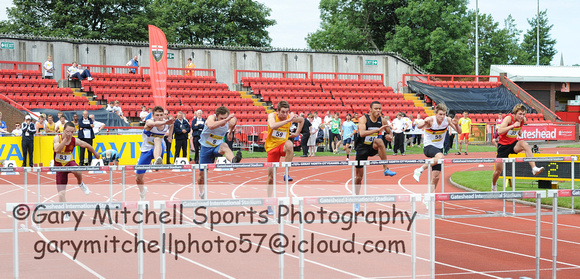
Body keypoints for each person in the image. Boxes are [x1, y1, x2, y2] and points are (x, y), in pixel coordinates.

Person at [354, 101, 397, 211]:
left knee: (379, 141)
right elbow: (362, 133)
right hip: (362, 148)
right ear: (371, 110)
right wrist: (377, 130)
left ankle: (386, 169)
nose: (378, 111)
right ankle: (356, 200)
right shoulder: (363, 119)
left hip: (372, 147)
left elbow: (389, 131)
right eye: (376, 109)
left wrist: (390, 136)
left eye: (379, 109)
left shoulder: (382, 120)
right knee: (359, 177)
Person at [54, 122, 100, 222]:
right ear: (63, 130)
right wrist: (65, 140)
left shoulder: (74, 140)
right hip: (59, 166)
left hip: (69, 162)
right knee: (61, 194)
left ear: (74, 132)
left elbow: (86, 145)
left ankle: (80, 183)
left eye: (71, 132)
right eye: (67, 131)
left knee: (78, 170)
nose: (69, 134)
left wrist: (95, 153)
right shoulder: (57, 138)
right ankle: (66, 211)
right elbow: (57, 149)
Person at [491, 104, 545, 191]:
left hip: (513, 144)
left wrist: (519, 130)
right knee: (498, 171)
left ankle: (534, 168)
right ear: (515, 113)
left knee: (525, 144)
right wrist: (512, 126)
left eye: (523, 114)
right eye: (520, 114)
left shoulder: (523, 120)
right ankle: (493, 185)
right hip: (503, 146)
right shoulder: (508, 118)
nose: (522, 116)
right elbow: (500, 131)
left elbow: (518, 127)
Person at [413, 104, 462, 198]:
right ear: (436, 113)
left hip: (439, 148)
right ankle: (419, 170)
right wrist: (424, 123)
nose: (442, 116)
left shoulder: (447, 120)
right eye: (440, 114)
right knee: (440, 156)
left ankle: (428, 197)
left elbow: (459, 131)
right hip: (428, 147)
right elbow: (419, 126)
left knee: (436, 177)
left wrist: (456, 124)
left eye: (444, 114)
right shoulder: (431, 120)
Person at [265, 101, 304, 214]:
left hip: (282, 145)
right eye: (282, 112)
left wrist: (296, 133)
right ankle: (269, 204)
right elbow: (272, 125)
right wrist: (288, 120)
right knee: (271, 177)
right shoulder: (272, 116)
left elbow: (302, 120)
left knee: (290, 145)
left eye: (286, 112)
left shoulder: (289, 117)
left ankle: (286, 173)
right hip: (272, 148)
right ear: (278, 111)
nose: (284, 114)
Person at [197, 106, 243, 198]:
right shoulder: (211, 118)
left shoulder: (230, 120)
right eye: (221, 118)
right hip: (206, 148)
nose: (224, 120)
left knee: (225, 146)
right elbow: (211, 126)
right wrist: (226, 120)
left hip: (217, 146)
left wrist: (230, 132)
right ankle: (201, 192)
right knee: (202, 175)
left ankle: (233, 161)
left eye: (225, 118)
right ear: (216, 116)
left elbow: (234, 120)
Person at [135, 106, 174, 200]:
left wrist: (170, 136)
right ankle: (142, 192)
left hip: (159, 149)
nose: (159, 117)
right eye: (157, 115)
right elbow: (155, 123)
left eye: (161, 115)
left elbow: (171, 125)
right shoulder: (149, 122)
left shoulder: (167, 123)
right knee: (138, 177)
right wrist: (166, 122)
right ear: (153, 115)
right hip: (146, 150)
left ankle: (157, 160)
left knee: (157, 139)